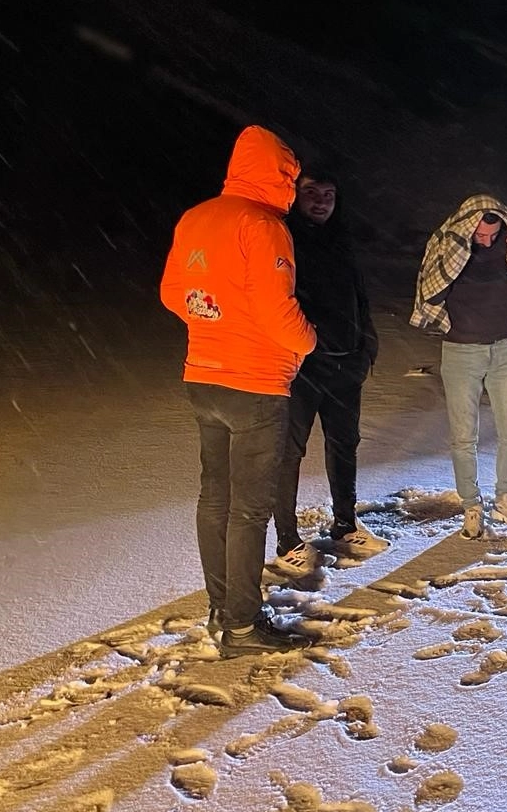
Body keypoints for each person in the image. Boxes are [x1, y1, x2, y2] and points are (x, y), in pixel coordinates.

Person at [159, 125, 317, 658]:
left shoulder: (196, 217)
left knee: (215, 499)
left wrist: (215, 318)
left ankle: (221, 607)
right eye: (290, 176)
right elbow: (279, 313)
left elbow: (173, 293)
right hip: (255, 385)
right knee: (249, 510)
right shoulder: (264, 226)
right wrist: (309, 341)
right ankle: (245, 627)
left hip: (203, 377)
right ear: (279, 174)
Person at [269, 167, 389, 579]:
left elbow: (359, 298)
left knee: (344, 445)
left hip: (346, 363)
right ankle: (287, 540)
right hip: (302, 367)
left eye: (328, 194)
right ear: (295, 195)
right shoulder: (284, 239)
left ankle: (345, 524)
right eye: (311, 193)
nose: (321, 202)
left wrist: (365, 347)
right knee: (289, 452)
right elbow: (277, 301)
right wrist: (301, 348)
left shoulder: (341, 240)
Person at [411, 194, 507, 538]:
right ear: (467, 228)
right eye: (480, 235)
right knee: (463, 436)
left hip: (506, 347)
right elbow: (431, 289)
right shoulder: (449, 245)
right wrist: (453, 263)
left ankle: (505, 498)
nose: (486, 242)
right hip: (461, 350)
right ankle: (471, 506)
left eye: (493, 234)